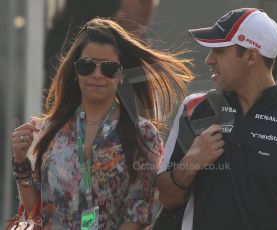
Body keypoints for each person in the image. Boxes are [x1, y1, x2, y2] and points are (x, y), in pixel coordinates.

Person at [156, 8, 277, 230]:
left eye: (220, 50)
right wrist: (190, 164)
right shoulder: (194, 108)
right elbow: (166, 198)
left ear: (251, 56)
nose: (209, 59)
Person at [11, 18, 193, 229]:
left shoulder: (142, 135)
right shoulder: (51, 129)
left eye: (109, 68)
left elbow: (136, 215)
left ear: (122, 74)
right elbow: (38, 210)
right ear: (75, 71)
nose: (97, 75)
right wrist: (20, 161)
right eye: (87, 66)